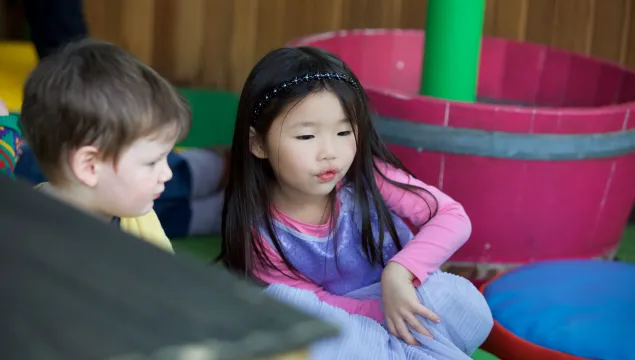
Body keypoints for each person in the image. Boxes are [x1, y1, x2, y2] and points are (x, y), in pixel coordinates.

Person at [218, 47, 493, 358]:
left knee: (457, 297)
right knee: (286, 304)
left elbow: (451, 215)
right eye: (306, 137)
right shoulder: (261, 234)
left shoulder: (368, 176)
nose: (329, 152)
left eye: (343, 132)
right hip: (353, 327)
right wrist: (386, 312)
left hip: (409, 297)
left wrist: (399, 273)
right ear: (258, 144)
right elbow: (317, 306)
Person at [19, 38, 190, 252]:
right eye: (152, 162)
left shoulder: (141, 220)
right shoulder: (29, 238)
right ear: (89, 166)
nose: (167, 174)